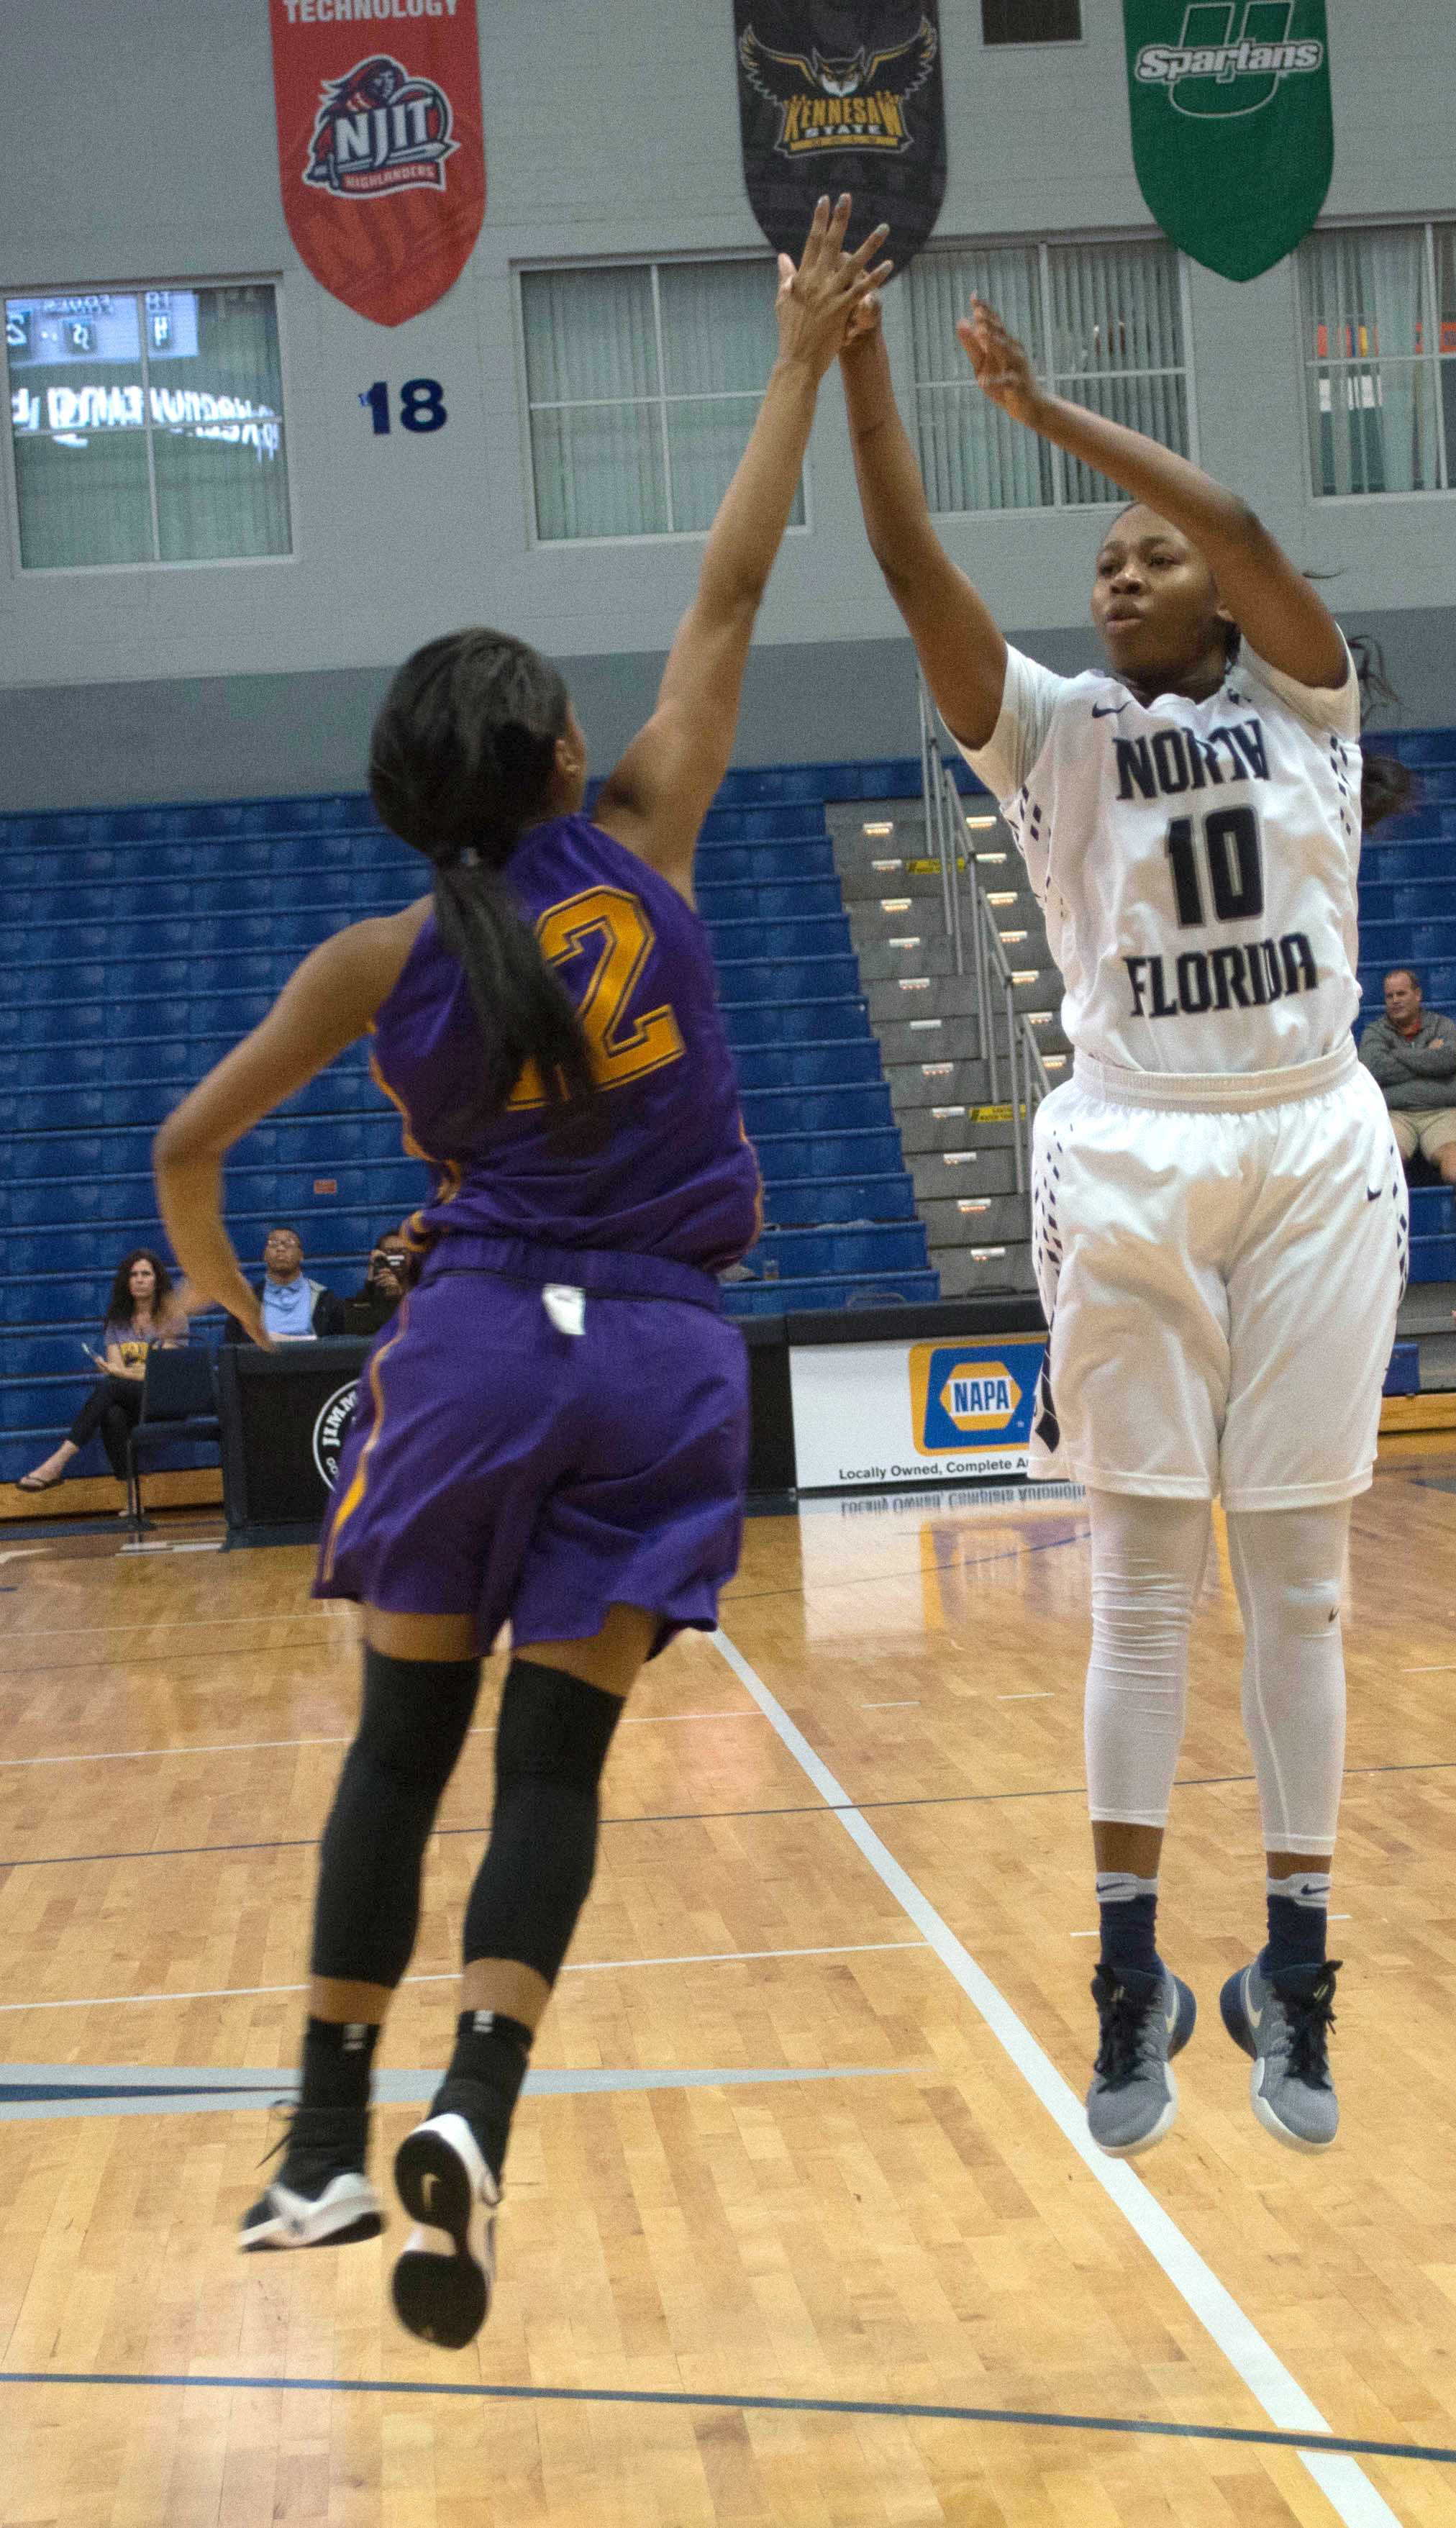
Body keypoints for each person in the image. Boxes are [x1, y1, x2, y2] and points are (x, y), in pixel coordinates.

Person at [148, 204, 890, 2345]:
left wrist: (224, 1306)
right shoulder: (647, 834)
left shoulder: (375, 962)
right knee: (549, 1778)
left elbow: (191, 1152)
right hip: (658, 1356)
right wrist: (795, 357)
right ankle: (478, 2093)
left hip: (472, 1341)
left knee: (397, 1751)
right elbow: (734, 580)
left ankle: (313, 2146)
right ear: (563, 762)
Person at [839, 279, 1422, 2164]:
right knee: (1146, 1577)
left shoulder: (1306, 702)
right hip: (1130, 1151)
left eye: (1144, 554)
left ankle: (1297, 1963)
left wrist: (1056, 418)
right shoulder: (1049, 733)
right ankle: (1127, 1974)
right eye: (1096, 560)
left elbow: (1244, 531)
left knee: (1303, 1580)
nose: (1116, 571)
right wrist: (865, 370)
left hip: (1310, 1139)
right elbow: (915, 564)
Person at [12, 1248, 189, 1492]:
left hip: (167, 1401)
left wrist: (122, 1372)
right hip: (134, 1399)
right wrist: (122, 1372)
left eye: (146, 1274)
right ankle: (133, 1497)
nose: (139, 1279)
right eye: (133, 1274)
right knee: (112, 1413)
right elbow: (116, 1371)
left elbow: (161, 1374)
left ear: (157, 1279)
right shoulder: (117, 1321)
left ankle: (57, 1462)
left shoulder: (172, 1318)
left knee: (111, 1387)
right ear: (126, 1282)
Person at [1360, 967, 1456, 1206]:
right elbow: (1374, 1069)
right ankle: (1377, 1207)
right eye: (1389, 996)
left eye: (1401, 994)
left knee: (1450, 1151)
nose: (1395, 1001)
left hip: (1444, 1112)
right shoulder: (1374, 1031)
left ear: (1418, 995)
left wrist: (1396, 1055)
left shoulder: (1443, 1026)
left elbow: (1447, 1060)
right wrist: (1426, 1058)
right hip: (1394, 1113)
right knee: (1386, 1152)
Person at [254, 1226, 342, 1342]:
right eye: (274, 1243)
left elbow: (339, 1346)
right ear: (264, 1255)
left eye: (289, 1243)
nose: (281, 1248)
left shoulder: (324, 1299)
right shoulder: (247, 1299)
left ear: (301, 1255)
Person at [335, 1238, 415, 1340]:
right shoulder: (369, 1296)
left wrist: (399, 1297)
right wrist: (370, 1284)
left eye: (403, 1251)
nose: (396, 1258)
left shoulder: (423, 1291)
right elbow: (355, 1329)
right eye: (389, 1252)